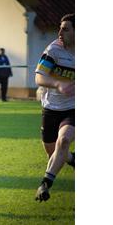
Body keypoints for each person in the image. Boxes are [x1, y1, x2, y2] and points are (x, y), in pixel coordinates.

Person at [34, 13, 75, 202]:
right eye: (60, 27)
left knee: (64, 140)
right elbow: (39, 77)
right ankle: (73, 159)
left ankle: (44, 184)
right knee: (55, 152)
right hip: (51, 107)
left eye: (65, 29)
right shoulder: (53, 50)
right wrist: (58, 84)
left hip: (73, 108)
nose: (59, 32)